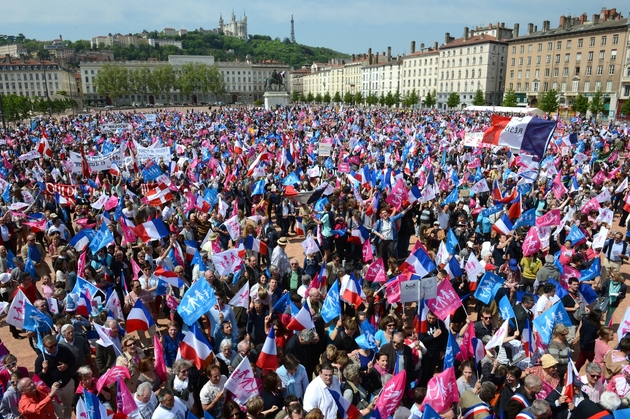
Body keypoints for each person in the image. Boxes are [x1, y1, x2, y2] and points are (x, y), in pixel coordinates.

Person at [33, 334, 76, 419]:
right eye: (50, 346)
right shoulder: (40, 359)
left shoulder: (63, 350)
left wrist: (67, 366)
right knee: (58, 410)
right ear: (44, 346)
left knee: (68, 406)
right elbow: (38, 377)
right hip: (53, 389)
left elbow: (73, 359)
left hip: (67, 384)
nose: (54, 347)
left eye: (55, 344)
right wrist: (44, 370)